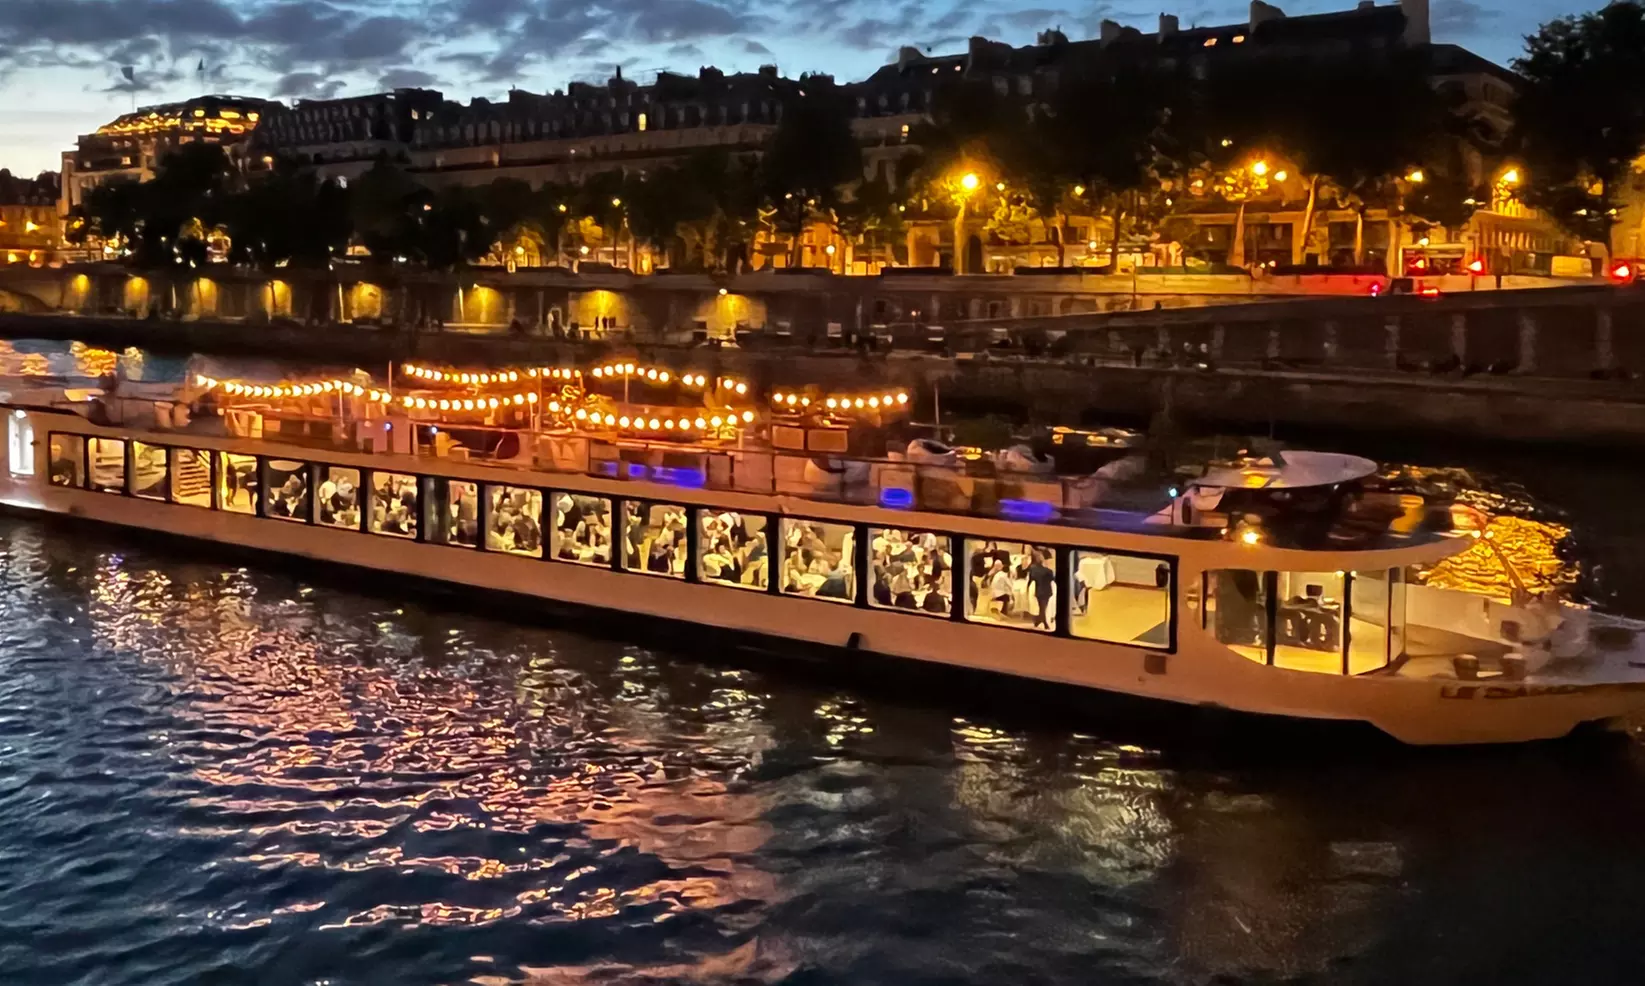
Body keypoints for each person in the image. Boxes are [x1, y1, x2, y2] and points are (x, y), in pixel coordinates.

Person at [1027, 552, 1055, 630]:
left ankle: (1038, 621)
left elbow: (1031, 579)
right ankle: (1044, 623)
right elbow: (1052, 580)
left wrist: (1027, 588)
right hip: (1047, 590)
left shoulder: (1033, 569)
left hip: (1038, 590)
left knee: (1042, 608)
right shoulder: (1048, 571)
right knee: (1043, 608)